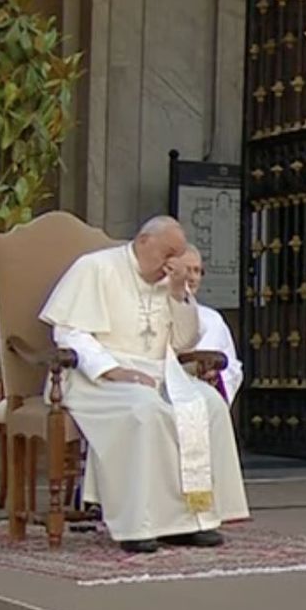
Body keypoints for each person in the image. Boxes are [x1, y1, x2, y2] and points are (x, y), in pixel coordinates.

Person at [40, 216, 250, 553]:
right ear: (143, 242)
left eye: (177, 255)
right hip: (94, 378)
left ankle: (192, 520)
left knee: (208, 403)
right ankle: (137, 524)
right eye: (168, 253)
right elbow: (69, 332)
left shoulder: (167, 280)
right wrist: (111, 370)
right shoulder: (95, 268)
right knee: (144, 409)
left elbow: (182, 343)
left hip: (159, 372)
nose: (172, 263)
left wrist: (179, 295)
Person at [174, 247, 243, 404]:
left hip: (205, 399)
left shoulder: (213, 320)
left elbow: (232, 367)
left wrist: (216, 376)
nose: (192, 278)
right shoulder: (158, 312)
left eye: (197, 271)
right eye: (187, 270)